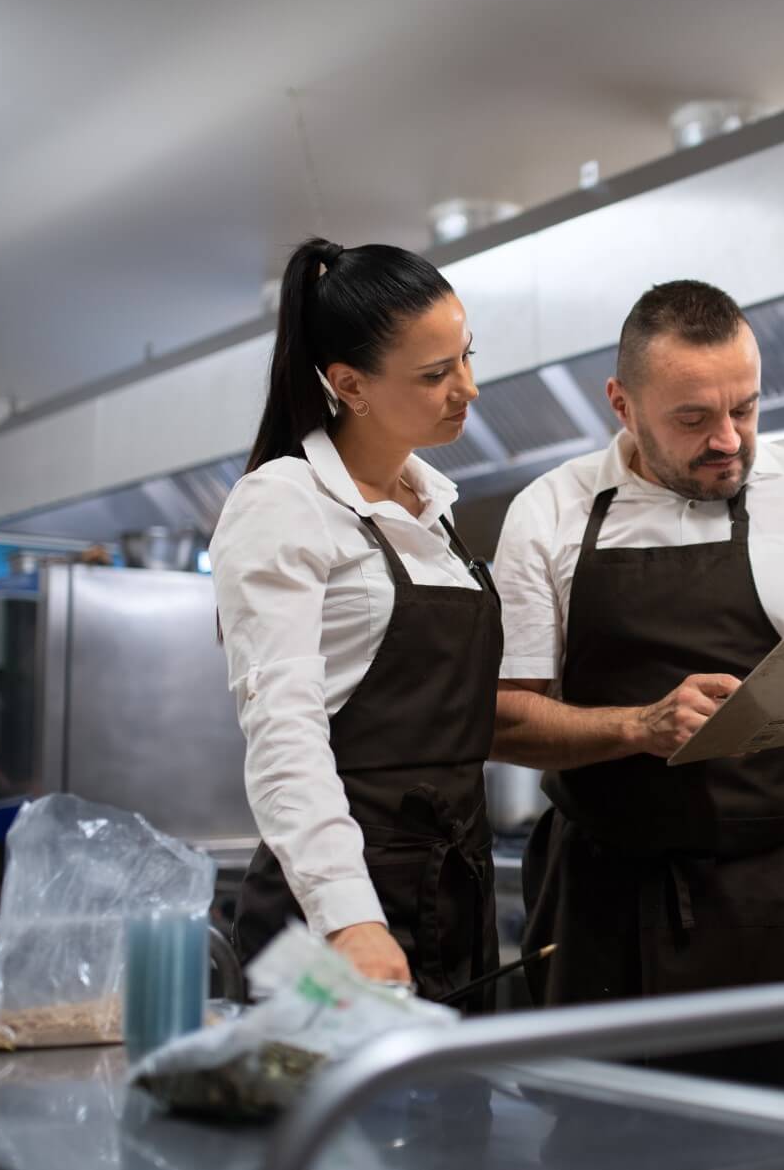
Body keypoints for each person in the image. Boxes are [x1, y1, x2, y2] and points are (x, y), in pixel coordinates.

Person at [493, 279, 784, 1096]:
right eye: (693, 419)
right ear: (622, 404)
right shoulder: (549, 513)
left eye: (746, 408)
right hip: (604, 897)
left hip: (780, 897)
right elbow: (502, 720)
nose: (728, 439)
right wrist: (636, 726)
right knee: (609, 1145)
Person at [212, 238, 502, 1009]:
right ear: (350, 384)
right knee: (333, 1129)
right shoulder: (284, 503)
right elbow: (283, 729)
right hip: (338, 916)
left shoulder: (435, 509)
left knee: (458, 1127)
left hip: (452, 902)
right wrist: (347, 918)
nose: (467, 388)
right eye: (436, 374)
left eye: (466, 357)